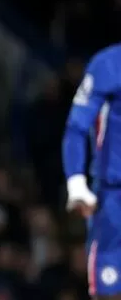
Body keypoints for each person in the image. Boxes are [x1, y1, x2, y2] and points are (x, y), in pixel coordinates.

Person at [63, 44, 121, 300]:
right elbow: (76, 126)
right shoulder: (109, 64)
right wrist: (77, 184)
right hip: (113, 199)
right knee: (110, 292)